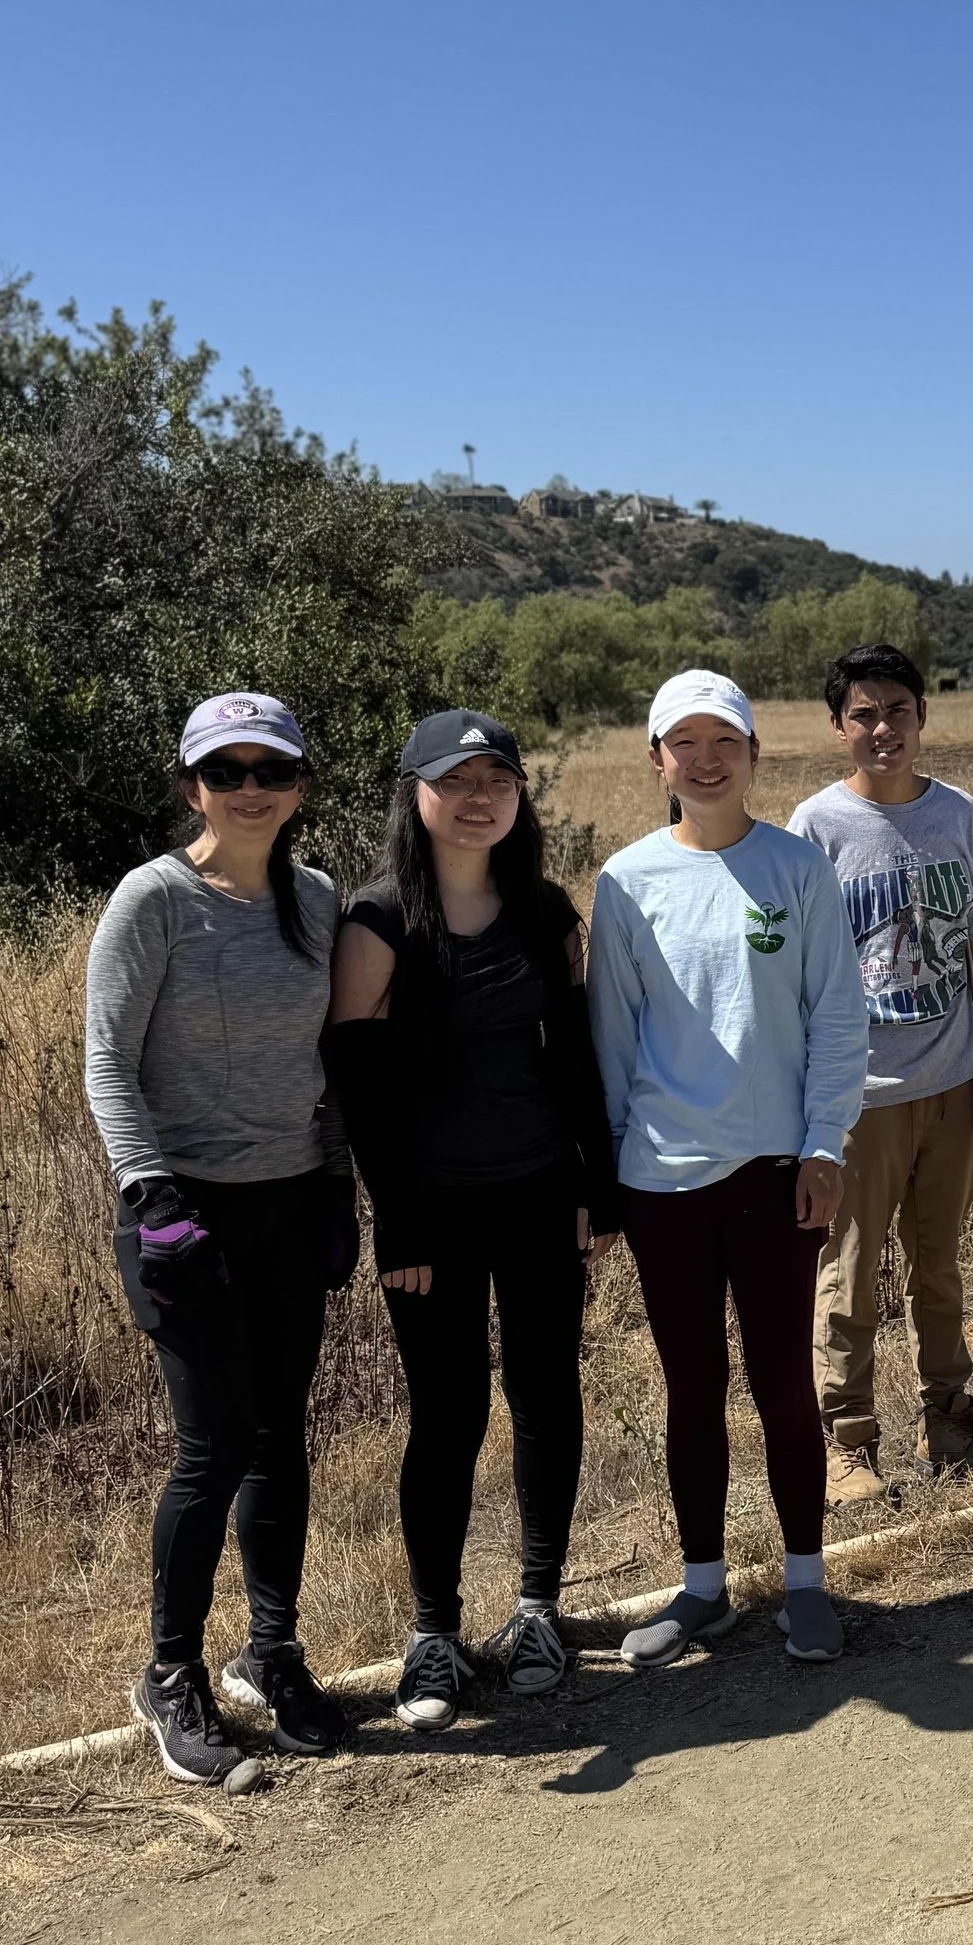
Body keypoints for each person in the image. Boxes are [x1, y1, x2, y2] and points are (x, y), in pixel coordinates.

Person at [325, 710, 624, 1730]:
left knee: (548, 1398)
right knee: (446, 1417)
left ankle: (538, 1609)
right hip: (432, 1217)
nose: (480, 795)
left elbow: (575, 1062)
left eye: (498, 777)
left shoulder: (545, 913)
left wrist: (599, 1184)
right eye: (457, 779)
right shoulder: (375, 924)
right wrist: (396, 1224)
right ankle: (433, 1633)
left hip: (540, 1190)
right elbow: (358, 1095)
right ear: (415, 795)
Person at [84, 692, 360, 1785]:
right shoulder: (152, 900)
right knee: (211, 1446)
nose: (251, 788)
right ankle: (170, 1676)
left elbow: (331, 1062)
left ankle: (270, 1652)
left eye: (273, 770)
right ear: (192, 784)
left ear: (299, 786)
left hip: (290, 1198)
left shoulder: (318, 900)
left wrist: (337, 1187)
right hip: (182, 1211)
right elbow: (108, 1061)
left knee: (280, 1434)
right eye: (226, 770)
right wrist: (152, 1195)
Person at [589, 668, 870, 1666]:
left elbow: (837, 1017)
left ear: (753, 756)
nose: (705, 763)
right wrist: (610, 1174)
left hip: (772, 1173)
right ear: (656, 759)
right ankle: (701, 1585)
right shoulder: (625, 881)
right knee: (690, 1385)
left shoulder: (796, 870)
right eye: (684, 744)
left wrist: (823, 1144)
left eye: (726, 743)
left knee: (784, 1383)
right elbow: (612, 1037)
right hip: (660, 1179)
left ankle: (804, 1581)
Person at [790, 645, 973, 1495]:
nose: (882, 728)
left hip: (953, 1078)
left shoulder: (958, 815)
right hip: (860, 1096)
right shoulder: (813, 830)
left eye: (898, 711)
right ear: (838, 727)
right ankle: (847, 1442)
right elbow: (798, 974)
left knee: (940, 1263)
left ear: (923, 719)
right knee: (848, 1272)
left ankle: (951, 1425)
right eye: (863, 714)